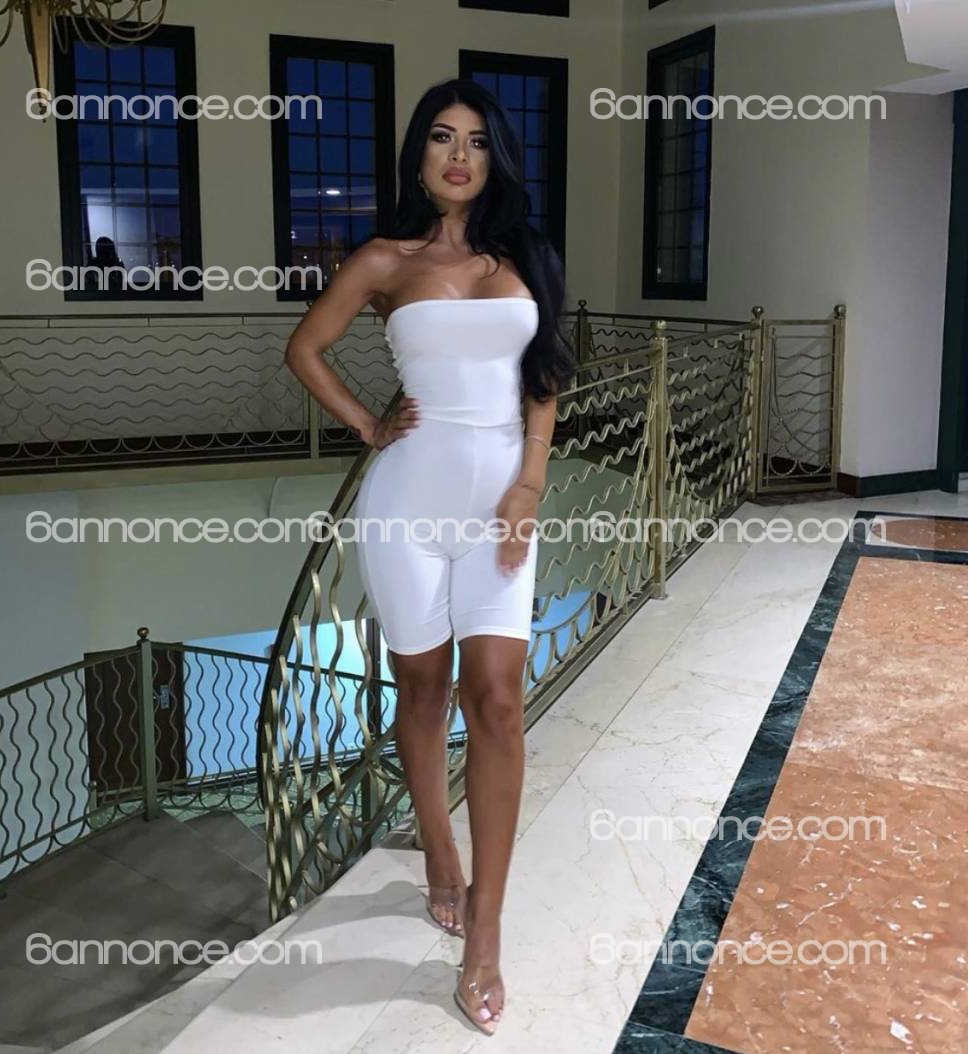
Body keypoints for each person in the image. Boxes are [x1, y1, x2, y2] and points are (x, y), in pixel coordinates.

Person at [284, 77, 574, 1035]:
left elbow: (543, 381)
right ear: (418, 155)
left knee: (498, 700)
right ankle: (440, 851)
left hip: (500, 508)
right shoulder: (383, 260)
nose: (460, 155)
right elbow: (306, 348)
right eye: (443, 138)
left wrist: (530, 484)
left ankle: (485, 932)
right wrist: (369, 424)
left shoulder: (526, 256)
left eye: (478, 141)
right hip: (405, 505)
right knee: (422, 688)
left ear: (497, 159)